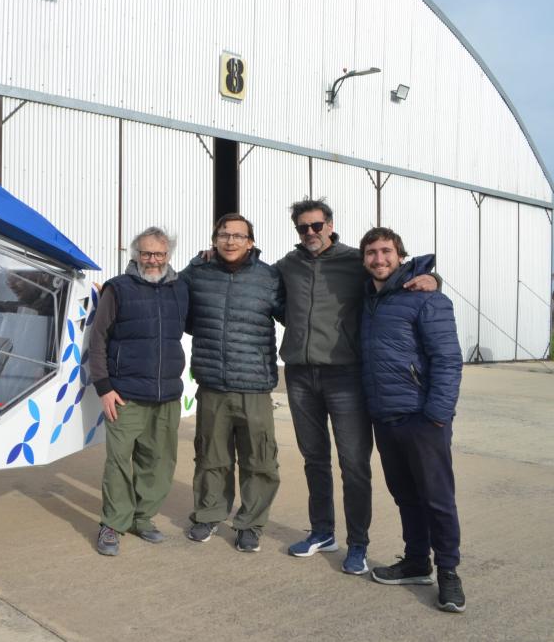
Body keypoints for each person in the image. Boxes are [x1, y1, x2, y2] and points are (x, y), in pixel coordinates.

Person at [277, 198, 439, 575]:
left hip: (345, 376)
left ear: (330, 225)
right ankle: (321, 532)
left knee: (353, 463)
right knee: (314, 459)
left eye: (317, 225)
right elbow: (256, 277)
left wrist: (434, 279)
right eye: (303, 227)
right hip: (300, 375)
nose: (311, 233)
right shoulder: (289, 265)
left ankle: (358, 544)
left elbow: (398, 274)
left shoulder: (355, 261)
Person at [358, 226, 465, 613]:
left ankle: (449, 573)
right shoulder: (368, 297)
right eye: (371, 252)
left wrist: (436, 415)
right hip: (385, 417)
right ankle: (417, 562)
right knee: (405, 496)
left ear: (400, 256)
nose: (379, 259)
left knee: (437, 498)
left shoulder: (426, 298)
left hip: (422, 417)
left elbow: (448, 359)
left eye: (386, 251)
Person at [182, 214, 283, 552]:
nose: (230, 241)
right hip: (213, 384)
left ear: (251, 242)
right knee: (212, 456)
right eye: (224, 234)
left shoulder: (269, 278)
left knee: (260, 459)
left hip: (255, 385)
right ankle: (209, 513)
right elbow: (168, 298)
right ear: (214, 239)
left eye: (239, 236)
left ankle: (251, 523)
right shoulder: (198, 274)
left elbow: (301, 312)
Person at [89, 227, 189, 556]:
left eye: (159, 254)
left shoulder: (180, 289)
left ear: (168, 256)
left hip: (167, 394)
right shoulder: (117, 289)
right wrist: (104, 387)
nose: (152, 260)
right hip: (125, 393)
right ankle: (113, 524)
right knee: (118, 461)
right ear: (136, 254)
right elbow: (98, 339)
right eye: (146, 253)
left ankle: (142, 518)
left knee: (158, 462)